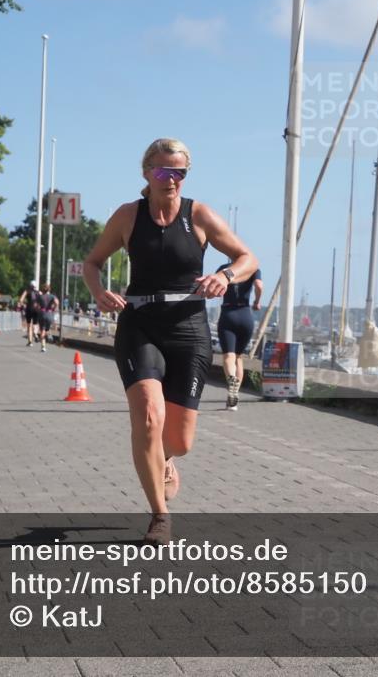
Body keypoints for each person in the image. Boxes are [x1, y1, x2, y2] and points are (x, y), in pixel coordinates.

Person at [83, 137, 257, 546]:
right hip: (139, 325)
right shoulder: (128, 216)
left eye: (180, 172)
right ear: (147, 173)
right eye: (163, 171)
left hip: (188, 329)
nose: (172, 179)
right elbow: (93, 262)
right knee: (148, 417)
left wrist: (225, 276)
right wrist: (98, 292)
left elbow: (247, 258)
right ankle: (160, 516)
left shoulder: (199, 215)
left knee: (179, 440)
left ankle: (165, 460)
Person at [215, 259, 262, 410]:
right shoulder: (253, 268)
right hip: (245, 315)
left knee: (228, 356)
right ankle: (233, 399)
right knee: (238, 357)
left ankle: (231, 379)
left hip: (228, 314)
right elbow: (259, 285)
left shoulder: (224, 268)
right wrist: (257, 301)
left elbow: (216, 287)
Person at [36, 282, 59, 352]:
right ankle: (48, 335)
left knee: (42, 330)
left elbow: (36, 306)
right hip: (49, 314)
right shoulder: (52, 296)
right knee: (46, 329)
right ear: (49, 289)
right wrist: (54, 308)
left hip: (42, 314)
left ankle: (43, 346)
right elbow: (57, 302)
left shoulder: (40, 297)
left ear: (42, 289)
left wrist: (38, 310)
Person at [18, 281, 41, 346]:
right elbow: (42, 301)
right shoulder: (39, 292)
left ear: (30, 285)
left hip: (29, 309)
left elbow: (21, 300)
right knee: (35, 323)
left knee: (29, 325)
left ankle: (30, 342)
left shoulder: (27, 291)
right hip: (36, 309)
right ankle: (35, 334)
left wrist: (23, 304)